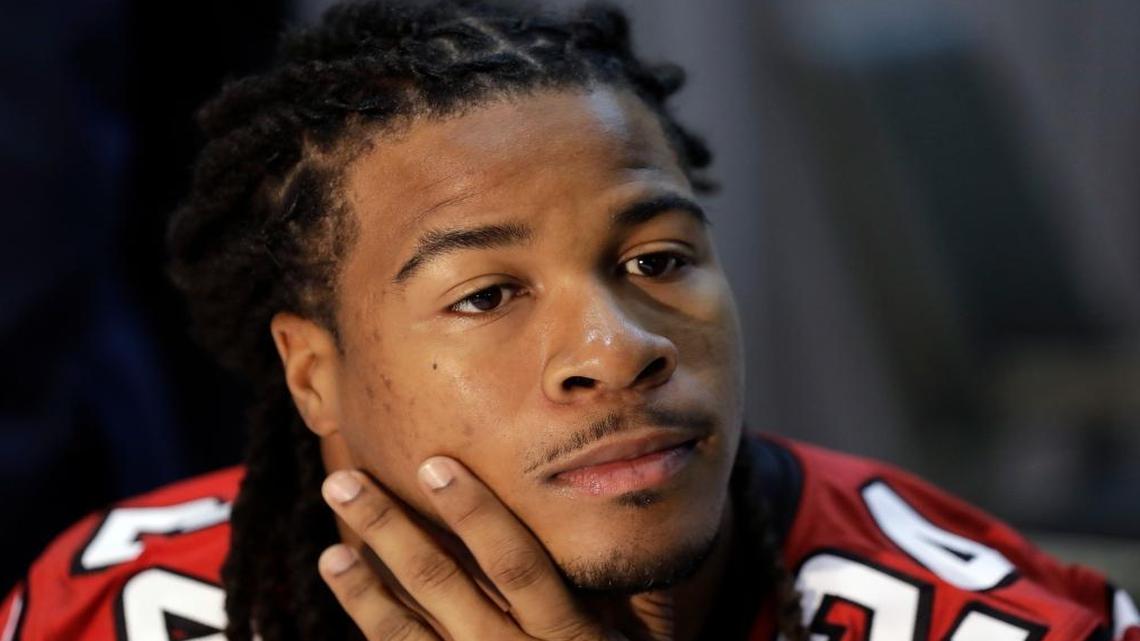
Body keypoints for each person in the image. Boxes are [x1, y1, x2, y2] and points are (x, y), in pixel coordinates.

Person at [2, 2, 1137, 640]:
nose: (620, 348)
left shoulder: (984, 623)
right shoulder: (123, 604)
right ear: (312, 374)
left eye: (660, 258)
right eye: (487, 293)